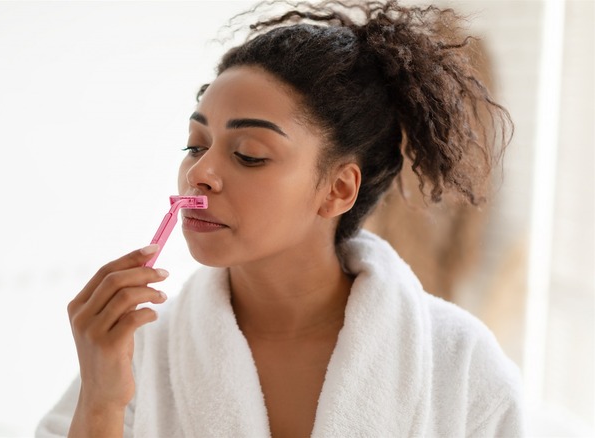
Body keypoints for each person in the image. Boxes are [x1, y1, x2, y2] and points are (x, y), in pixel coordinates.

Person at [37, 1, 522, 436]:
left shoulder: (458, 364)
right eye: (195, 146)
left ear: (337, 189)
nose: (200, 175)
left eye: (248, 154)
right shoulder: (139, 352)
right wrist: (101, 401)